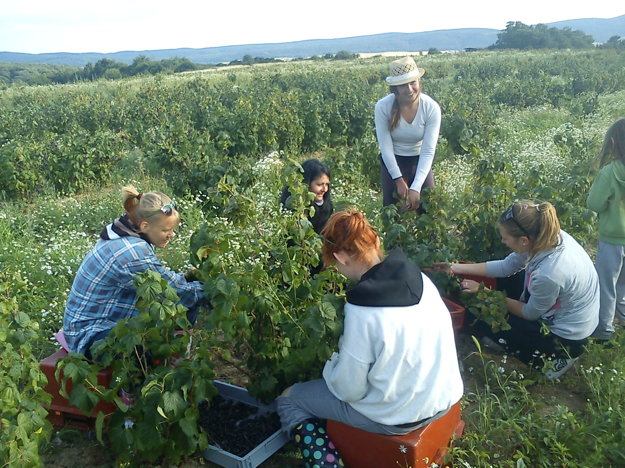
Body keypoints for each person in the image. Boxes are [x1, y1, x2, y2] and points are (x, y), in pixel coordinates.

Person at [277, 209, 463, 467]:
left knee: (290, 399)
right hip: (442, 397)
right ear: (375, 242)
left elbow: (349, 389)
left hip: (398, 416)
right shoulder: (419, 278)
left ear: (340, 256)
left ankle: (327, 462)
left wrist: (331, 366)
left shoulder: (363, 309)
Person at [441, 201, 599, 379]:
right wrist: (454, 267)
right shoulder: (543, 236)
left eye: (505, 238)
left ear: (524, 241)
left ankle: (556, 361)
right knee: (510, 279)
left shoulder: (551, 273)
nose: (503, 241)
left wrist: (483, 292)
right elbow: (507, 267)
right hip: (559, 309)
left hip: (565, 339)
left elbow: (530, 312)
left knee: (479, 321)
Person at [63, 185, 205, 360]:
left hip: (88, 322)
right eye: (165, 230)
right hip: (91, 336)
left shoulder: (123, 231)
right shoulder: (132, 252)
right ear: (145, 225)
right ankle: (169, 369)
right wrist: (211, 291)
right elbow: (174, 292)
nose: (172, 235)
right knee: (184, 304)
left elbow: (161, 278)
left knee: (171, 305)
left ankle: (170, 360)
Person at [375, 56, 441, 211]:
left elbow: (428, 151)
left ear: (419, 82)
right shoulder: (383, 107)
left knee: (430, 211)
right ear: (395, 89)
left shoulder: (431, 107)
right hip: (393, 162)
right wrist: (398, 179)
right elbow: (386, 148)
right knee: (393, 214)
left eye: (413, 82)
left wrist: (416, 187)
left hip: (419, 161)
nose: (410, 89)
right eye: (403, 85)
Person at [587, 117, 625, 342]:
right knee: (623, 284)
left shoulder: (610, 173)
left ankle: (604, 331)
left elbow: (594, 204)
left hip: (612, 239)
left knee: (606, 285)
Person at [280, 158, 333, 234]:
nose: (324, 189)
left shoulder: (327, 206)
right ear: (306, 184)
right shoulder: (292, 205)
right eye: (319, 184)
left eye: (327, 184)